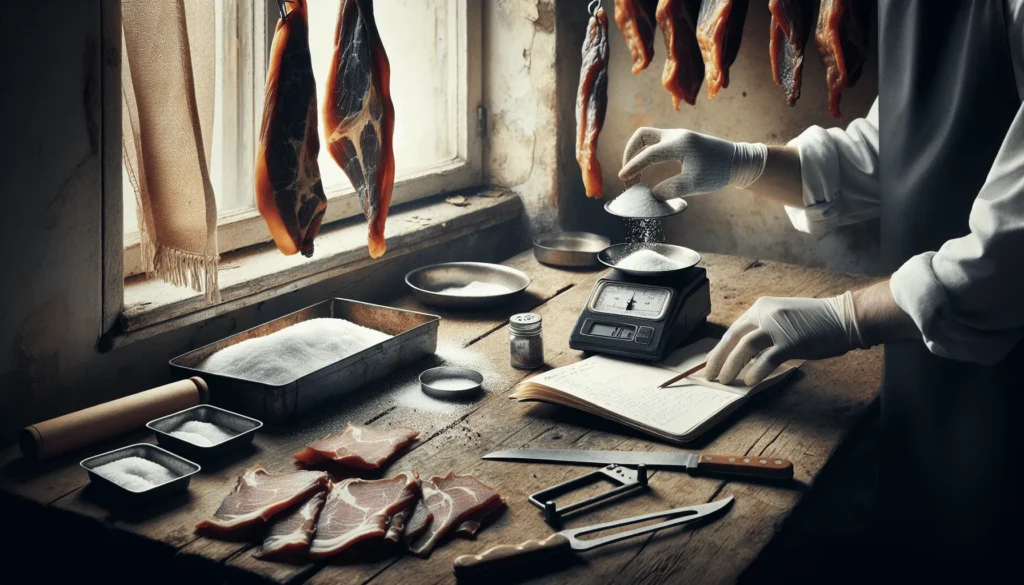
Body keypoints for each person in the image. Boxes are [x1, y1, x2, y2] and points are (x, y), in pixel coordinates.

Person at [619, 0, 1024, 576]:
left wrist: (846, 316)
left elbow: (1006, 259)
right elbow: (892, 148)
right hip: (922, 364)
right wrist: (743, 162)